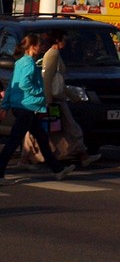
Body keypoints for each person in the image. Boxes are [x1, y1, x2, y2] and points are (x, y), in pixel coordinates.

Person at [0, 35, 75, 183]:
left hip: (20, 106)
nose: (42, 48)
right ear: (33, 47)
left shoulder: (20, 62)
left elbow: (11, 86)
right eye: (40, 45)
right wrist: (39, 93)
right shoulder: (29, 63)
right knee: (13, 142)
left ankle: (58, 169)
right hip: (26, 106)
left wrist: (6, 105)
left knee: (41, 138)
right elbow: (23, 84)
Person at [41, 30, 100, 167]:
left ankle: (30, 157)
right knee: (71, 128)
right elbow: (47, 78)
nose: (66, 43)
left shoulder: (55, 54)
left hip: (58, 98)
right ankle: (83, 155)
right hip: (56, 101)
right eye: (64, 40)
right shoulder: (53, 54)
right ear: (57, 40)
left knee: (56, 129)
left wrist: (73, 97)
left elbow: (59, 82)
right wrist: (48, 101)